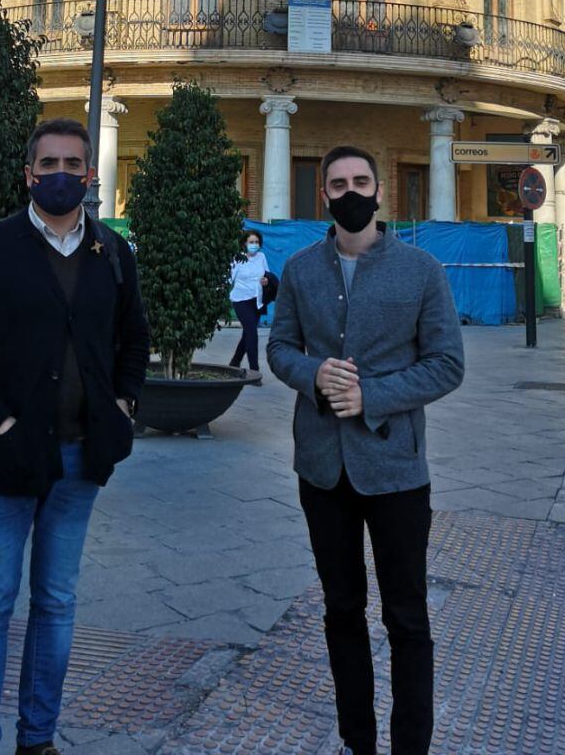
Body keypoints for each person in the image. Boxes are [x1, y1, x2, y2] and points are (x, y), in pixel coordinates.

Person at [0, 117, 149, 755]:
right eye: (47, 164)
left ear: (89, 174)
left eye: (71, 165)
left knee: (55, 602)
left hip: (81, 461)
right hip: (5, 462)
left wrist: (125, 403)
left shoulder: (113, 254)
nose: (59, 175)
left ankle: (37, 738)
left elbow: (135, 338)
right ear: (28, 175)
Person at [268, 145, 464, 755]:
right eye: (337, 183)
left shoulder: (423, 270)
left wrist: (372, 397)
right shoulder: (300, 269)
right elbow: (279, 349)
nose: (349, 192)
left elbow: (447, 365)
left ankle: (410, 746)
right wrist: (312, 375)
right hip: (323, 471)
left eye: (360, 181)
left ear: (380, 192)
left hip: (396, 471)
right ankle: (359, 741)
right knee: (341, 610)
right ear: (322, 195)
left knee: (406, 617)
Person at [228, 229, 270, 382]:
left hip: (257, 300)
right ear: (244, 243)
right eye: (251, 242)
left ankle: (234, 363)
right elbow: (228, 278)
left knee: (248, 334)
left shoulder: (261, 257)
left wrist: (266, 281)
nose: (254, 245)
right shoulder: (238, 258)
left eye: (257, 242)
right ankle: (254, 372)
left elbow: (267, 275)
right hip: (241, 300)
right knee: (252, 332)